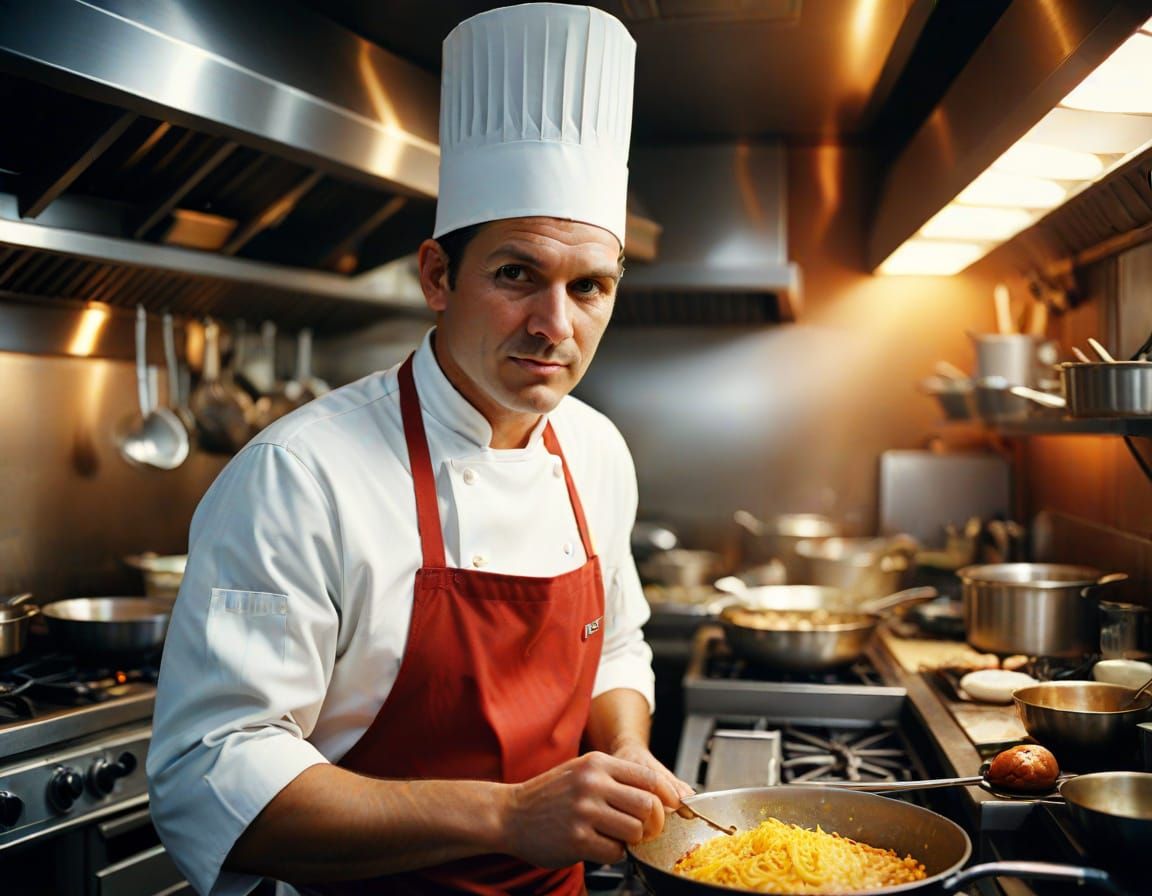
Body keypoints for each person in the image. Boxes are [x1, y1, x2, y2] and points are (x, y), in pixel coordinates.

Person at [146, 4, 693, 895]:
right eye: (517, 274)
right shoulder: (301, 475)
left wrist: (626, 754)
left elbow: (617, 647)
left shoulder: (595, 448)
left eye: (589, 287)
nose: (556, 327)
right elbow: (210, 781)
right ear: (438, 276)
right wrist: (510, 815)